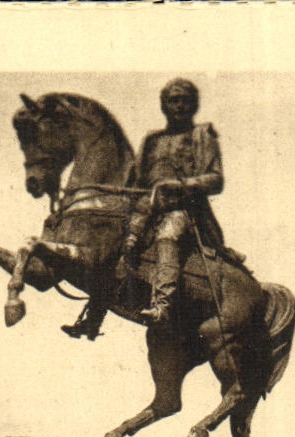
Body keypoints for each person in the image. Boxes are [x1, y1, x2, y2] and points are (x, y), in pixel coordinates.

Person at [64, 78, 230, 338]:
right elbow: (137, 179)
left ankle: (161, 306)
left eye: (185, 100)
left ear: (194, 105)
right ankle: (93, 318)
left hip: (184, 210)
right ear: (164, 105)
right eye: (173, 100)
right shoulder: (152, 140)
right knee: (116, 244)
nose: (179, 106)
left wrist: (179, 184)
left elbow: (215, 179)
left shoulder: (201, 135)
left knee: (168, 234)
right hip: (146, 208)